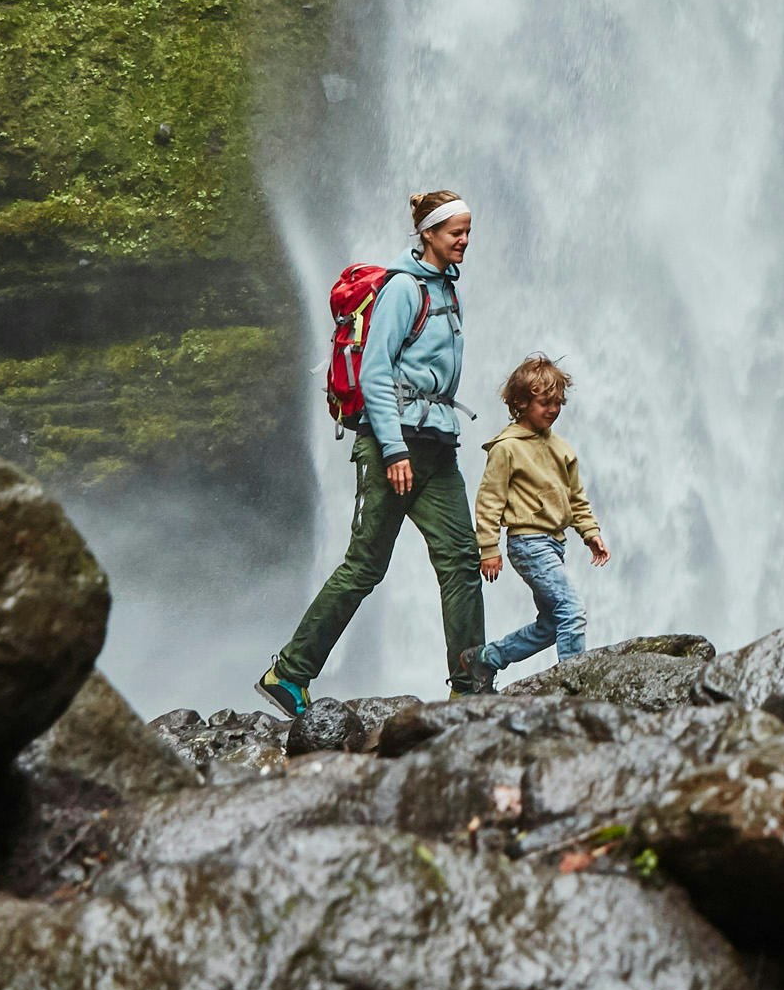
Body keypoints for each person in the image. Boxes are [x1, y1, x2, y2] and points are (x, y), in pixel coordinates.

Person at [258, 188, 489, 712]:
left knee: (460, 560)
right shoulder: (404, 290)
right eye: (456, 232)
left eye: (468, 231)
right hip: (396, 446)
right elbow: (376, 373)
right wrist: (392, 449)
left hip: (437, 444)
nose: (465, 241)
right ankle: (288, 674)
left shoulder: (448, 291)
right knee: (365, 565)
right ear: (428, 234)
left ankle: (471, 685)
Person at [471, 355, 609, 677]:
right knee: (572, 612)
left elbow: (576, 497)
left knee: (551, 625)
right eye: (545, 402)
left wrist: (591, 533)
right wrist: (489, 548)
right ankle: (574, 684)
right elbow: (489, 500)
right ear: (520, 402)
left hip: (555, 544)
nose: (553, 410)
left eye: (558, 403)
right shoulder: (506, 448)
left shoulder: (562, 449)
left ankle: (486, 659)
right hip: (528, 543)